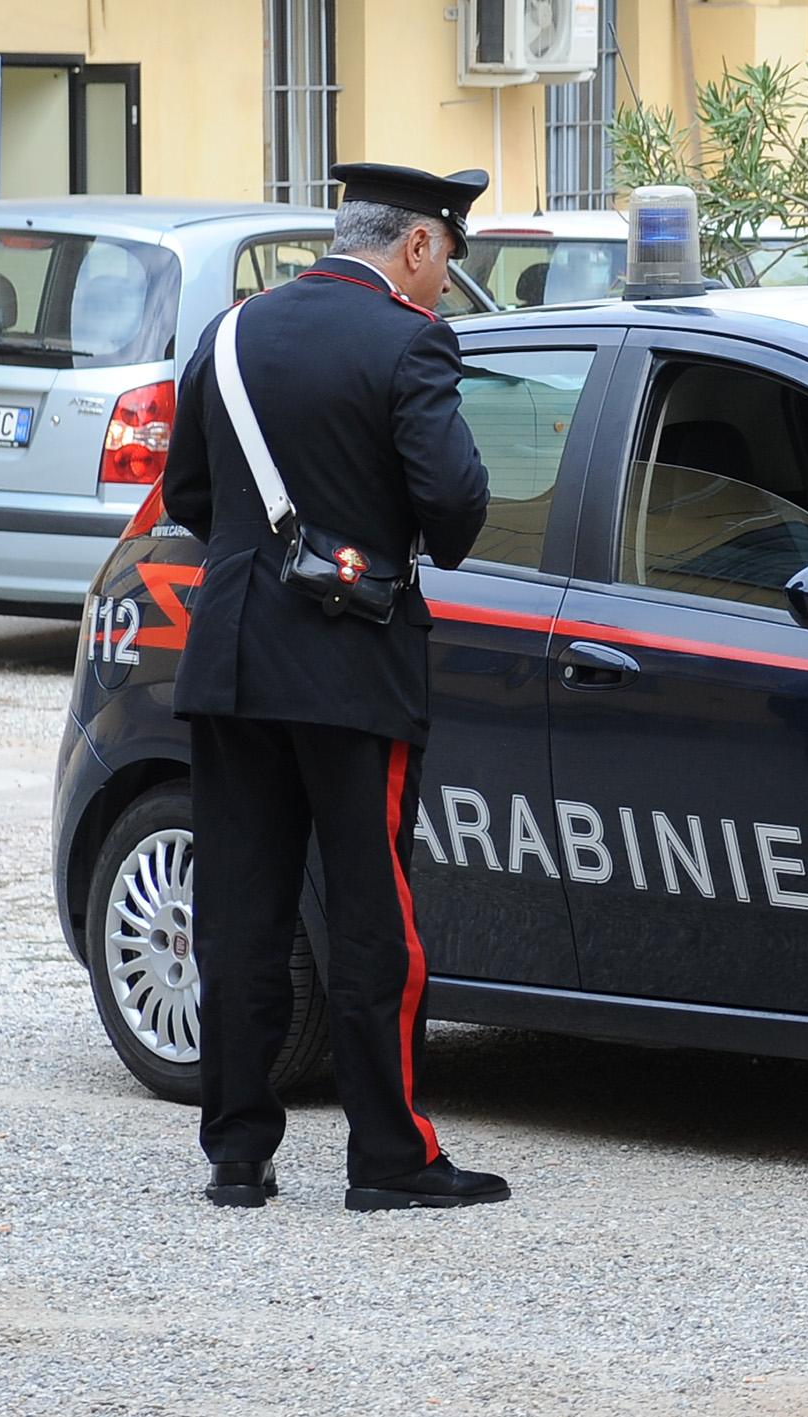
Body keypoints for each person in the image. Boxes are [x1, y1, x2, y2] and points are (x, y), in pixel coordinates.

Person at [162, 162, 506, 1212]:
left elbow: (186, 494)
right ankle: (389, 1157)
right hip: (351, 663)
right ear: (413, 244)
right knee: (371, 915)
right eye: (447, 256)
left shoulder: (227, 334)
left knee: (238, 911)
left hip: (227, 659)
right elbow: (454, 511)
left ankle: (236, 1154)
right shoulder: (409, 341)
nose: (447, 280)